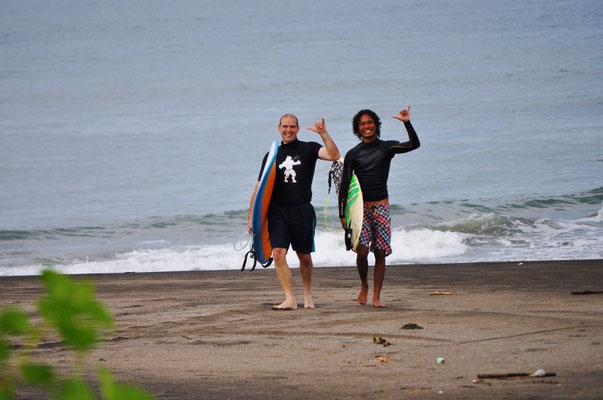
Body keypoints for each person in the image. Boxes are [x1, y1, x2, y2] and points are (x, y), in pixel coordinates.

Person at [248, 114, 340, 310]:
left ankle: (307, 295)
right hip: (278, 212)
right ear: (278, 128)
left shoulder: (309, 148)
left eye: (292, 126)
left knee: (304, 257)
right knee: (278, 253)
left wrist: (323, 134)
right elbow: (259, 188)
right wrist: (252, 219)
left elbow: (333, 155)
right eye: (284, 126)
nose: (288, 130)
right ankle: (290, 298)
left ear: (298, 129)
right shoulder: (272, 155)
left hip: (302, 210)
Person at [338, 106, 420, 308]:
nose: (367, 126)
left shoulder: (387, 148)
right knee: (362, 251)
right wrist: (343, 214)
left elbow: (414, 144)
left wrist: (406, 122)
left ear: (376, 125)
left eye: (370, 122)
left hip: (381, 206)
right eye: (363, 123)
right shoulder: (352, 154)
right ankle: (364, 285)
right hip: (361, 209)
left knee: (380, 252)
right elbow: (345, 185)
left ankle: (376, 295)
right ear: (358, 128)